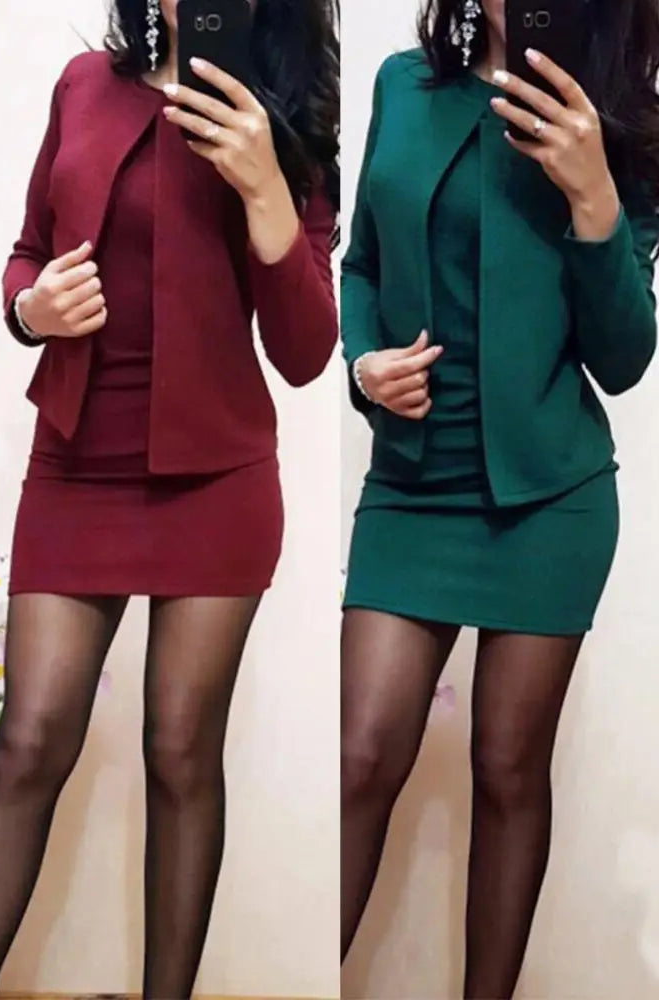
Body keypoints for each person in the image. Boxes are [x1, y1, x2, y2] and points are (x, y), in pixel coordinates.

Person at [0, 0, 339, 995]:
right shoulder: (82, 86)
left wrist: (265, 186)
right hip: (75, 464)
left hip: (218, 476)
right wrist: (30, 309)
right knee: (28, 742)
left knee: (181, 752)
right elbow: (24, 251)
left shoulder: (290, 118)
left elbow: (306, 351)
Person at [340, 1, 659, 995]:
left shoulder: (622, 123)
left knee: (509, 768)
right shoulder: (402, 86)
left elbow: (624, 358)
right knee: (359, 757)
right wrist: (363, 366)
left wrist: (595, 198)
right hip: (410, 487)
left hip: (551, 498)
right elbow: (360, 267)